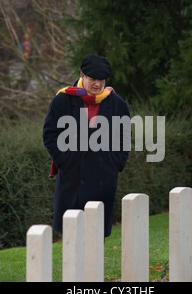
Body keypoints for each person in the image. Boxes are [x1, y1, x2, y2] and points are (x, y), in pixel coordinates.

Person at [42, 54, 130, 238]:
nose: (97, 84)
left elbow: (123, 138)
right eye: (92, 79)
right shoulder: (62, 100)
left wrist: (115, 163)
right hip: (72, 180)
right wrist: (65, 161)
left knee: (95, 239)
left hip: (103, 179)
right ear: (82, 76)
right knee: (72, 239)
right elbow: (50, 135)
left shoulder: (117, 104)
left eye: (101, 80)